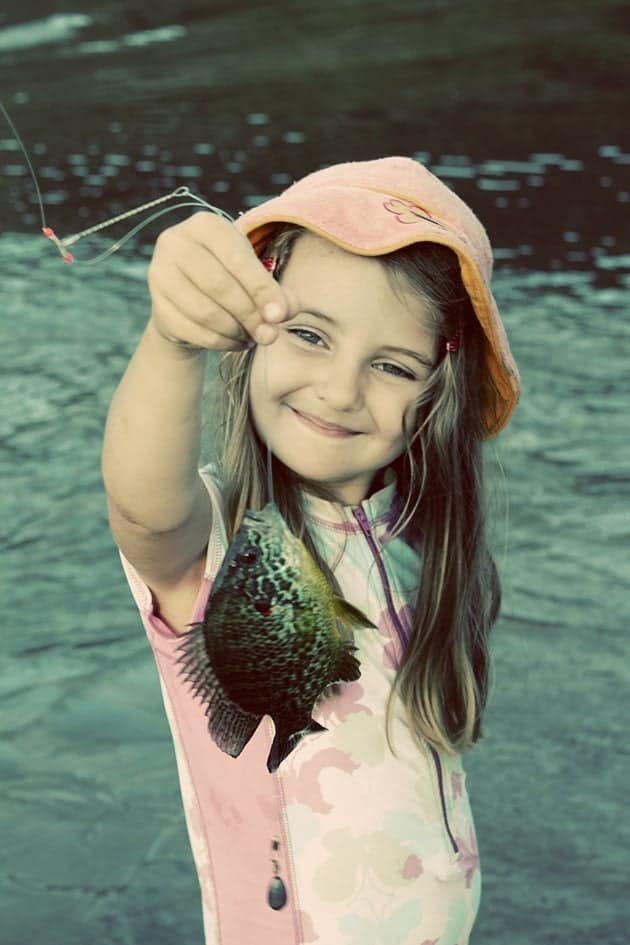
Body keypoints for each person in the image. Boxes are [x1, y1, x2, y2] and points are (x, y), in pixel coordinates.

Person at [102, 156, 520, 945]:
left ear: (439, 389)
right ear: (250, 336)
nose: (339, 388)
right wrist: (170, 339)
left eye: (392, 365)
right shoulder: (227, 559)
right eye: (308, 334)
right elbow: (145, 508)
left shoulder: (417, 547)